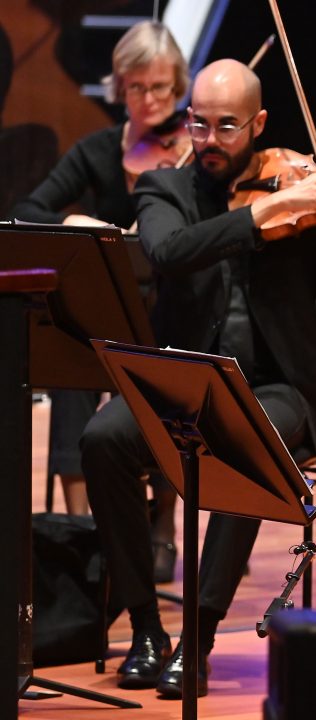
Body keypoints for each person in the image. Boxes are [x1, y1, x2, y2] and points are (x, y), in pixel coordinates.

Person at [79, 58, 316, 699]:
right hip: (182, 379)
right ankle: (143, 628)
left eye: (226, 127)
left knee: (247, 436)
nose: (209, 140)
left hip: (278, 391)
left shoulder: (309, 197)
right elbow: (166, 251)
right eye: (199, 124)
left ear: (259, 123)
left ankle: (199, 636)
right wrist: (262, 214)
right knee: (103, 438)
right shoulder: (166, 189)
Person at [12, 20, 189, 579]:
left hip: (170, 315)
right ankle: (85, 528)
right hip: (112, 313)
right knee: (72, 364)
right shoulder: (98, 150)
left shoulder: (194, 157)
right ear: (119, 86)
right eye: (137, 88)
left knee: (175, 368)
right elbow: (30, 209)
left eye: (161, 88)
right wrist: (73, 218)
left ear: (179, 86)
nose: (150, 101)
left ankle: (162, 520)